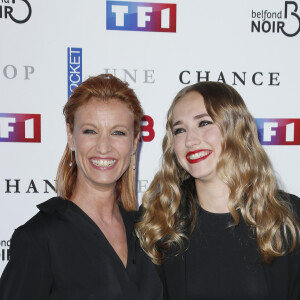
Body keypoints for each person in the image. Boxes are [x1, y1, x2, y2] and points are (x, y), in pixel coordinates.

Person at [0, 74, 163, 299]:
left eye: (118, 132)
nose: (104, 147)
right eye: (90, 131)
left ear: (135, 141)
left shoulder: (146, 232)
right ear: (70, 135)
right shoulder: (40, 238)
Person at [136, 81, 300, 300]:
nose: (190, 140)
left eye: (203, 123)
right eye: (179, 130)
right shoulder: (158, 222)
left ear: (236, 128)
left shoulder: (287, 216)